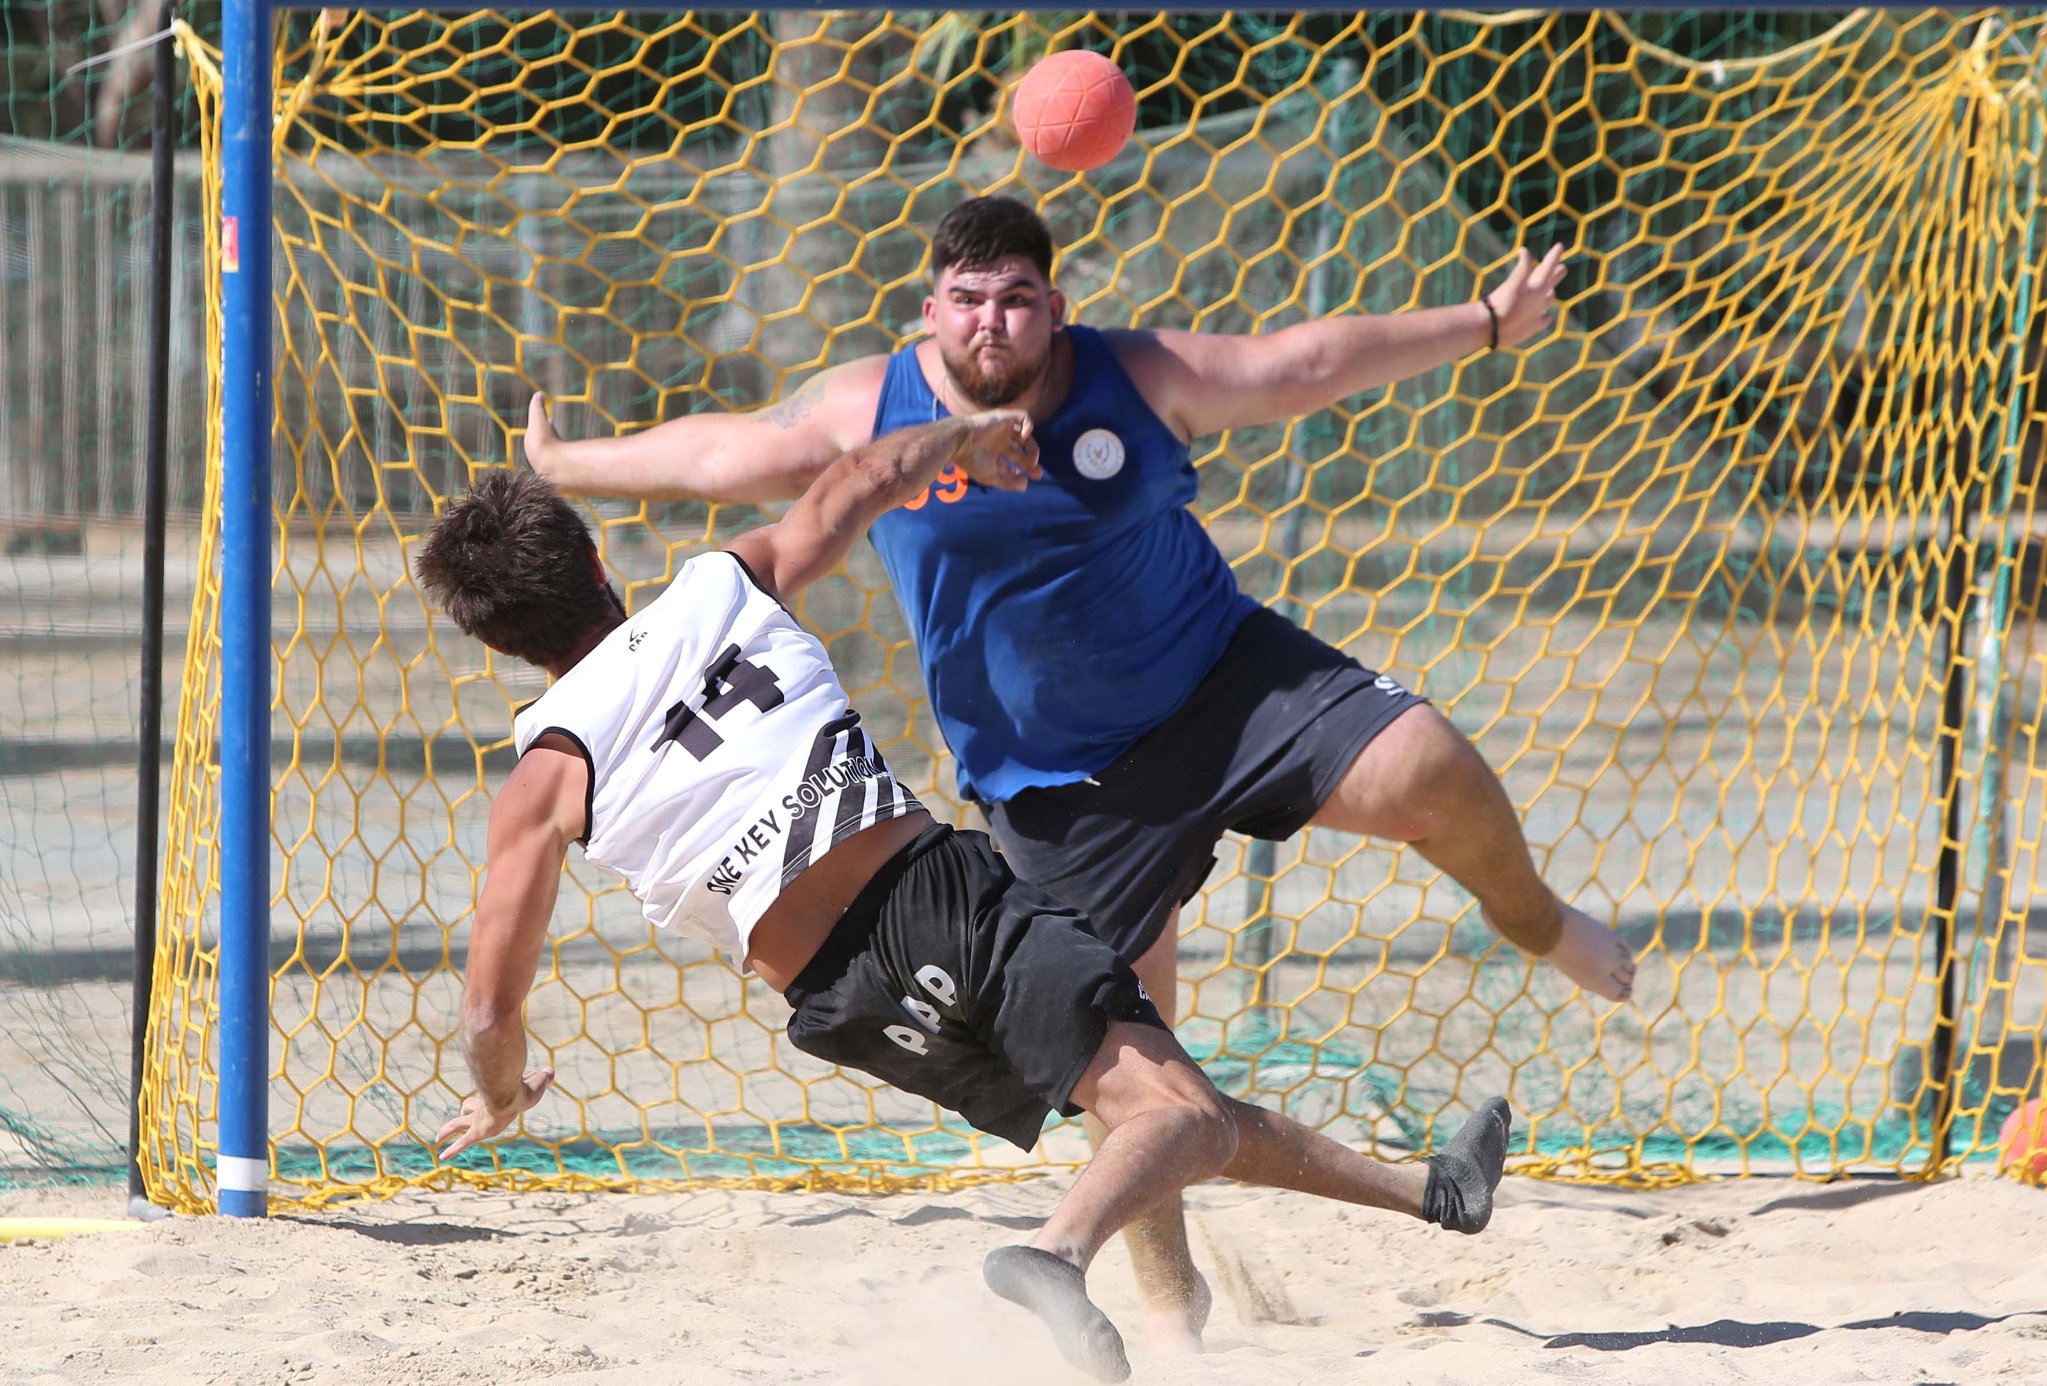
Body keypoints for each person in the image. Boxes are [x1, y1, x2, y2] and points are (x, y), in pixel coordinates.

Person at [522, 194, 1633, 1349]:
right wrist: (566, 462)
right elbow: (717, 451)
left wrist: (1486, 323)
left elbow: (1301, 361)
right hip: (1055, 789)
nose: (991, 323)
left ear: (1055, 308)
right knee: (1137, 1063)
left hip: (1222, 684)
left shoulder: (1130, 374)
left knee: (1432, 767)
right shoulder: (872, 407)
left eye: (1014, 299)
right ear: (928, 312)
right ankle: (1171, 1307)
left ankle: (1537, 921)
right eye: (966, 301)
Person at [419, 416, 1514, 1384]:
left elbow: (484, 1013)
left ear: (496, 642)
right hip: (931, 896)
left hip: (842, 1005)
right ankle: (1052, 1256)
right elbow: (858, 478)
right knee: (1170, 1111)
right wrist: (971, 438)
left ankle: (1430, 1198)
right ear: (600, 560)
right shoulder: (716, 591)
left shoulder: (541, 778)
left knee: (1151, 1108)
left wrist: (504, 1095)